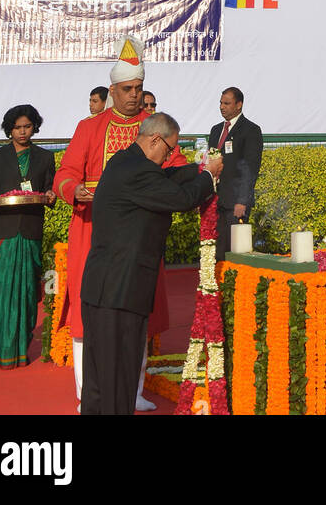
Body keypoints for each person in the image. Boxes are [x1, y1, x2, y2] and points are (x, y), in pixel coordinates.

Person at [54, 37, 186, 410]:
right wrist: (74, 190)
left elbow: (177, 169)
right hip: (92, 231)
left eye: (138, 88)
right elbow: (64, 174)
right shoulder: (89, 127)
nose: (133, 95)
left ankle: (133, 390)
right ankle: (87, 394)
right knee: (87, 316)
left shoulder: (154, 128)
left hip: (139, 238)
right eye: (127, 89)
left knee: (136, 313)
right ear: (112, 90)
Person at [80, 112, 221, 415]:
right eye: (170, 149)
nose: (171, 156)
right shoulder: (139, 173)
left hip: (103, 287)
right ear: (156, 139)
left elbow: (168, 178)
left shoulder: (123, 162)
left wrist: (197, 169)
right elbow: (182, 199)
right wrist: (208, 178)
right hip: (121, 289)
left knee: (99, 379)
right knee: (120, 375)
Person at [0, 104, 56, 368]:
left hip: (29, 231)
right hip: (0, 232)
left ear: (35, 127)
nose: (22, 132)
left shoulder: (44, 158)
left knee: (27, 294)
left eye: (27, 126)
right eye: (17, 127)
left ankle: (16, 350)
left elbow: (50, 189)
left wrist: (52, 195)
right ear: (9, 128)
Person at [208, 88, 263, 261]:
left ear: (239, 105)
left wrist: (242, 201)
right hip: (216, 201)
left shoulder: (250, 130)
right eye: (221, 103)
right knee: (218, 251)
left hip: (236, 203)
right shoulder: (216, 130)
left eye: (227, 103)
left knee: (236, 252)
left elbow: (250, 168)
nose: (222, 107)